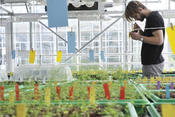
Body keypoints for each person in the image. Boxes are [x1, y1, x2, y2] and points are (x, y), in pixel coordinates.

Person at [125, 1, 165, 77]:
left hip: (153, 64)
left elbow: (159, 40)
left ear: (140, 9)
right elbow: (152, 38)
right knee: (149, 87)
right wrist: (141, 33)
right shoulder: (150, 18)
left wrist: (139, 37)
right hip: (151, 63)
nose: (136, 19)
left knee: (151, 87)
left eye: (135, 16)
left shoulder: (153, 17)